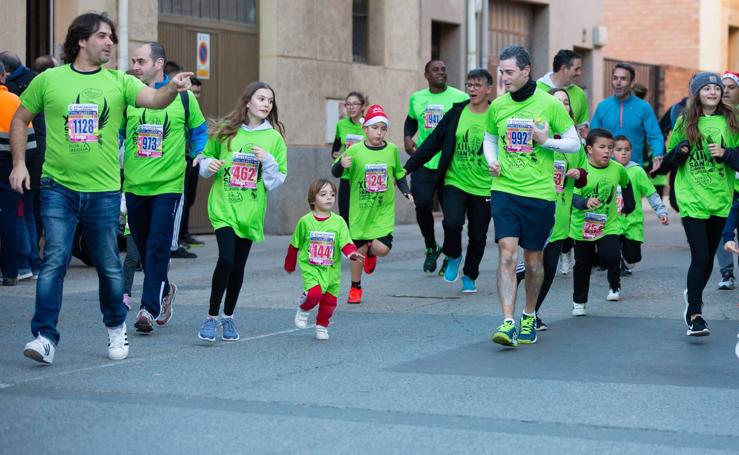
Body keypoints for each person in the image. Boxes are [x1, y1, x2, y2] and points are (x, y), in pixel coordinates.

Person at [9, 12, 194, 365]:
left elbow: (154, 101)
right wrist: (19, 163)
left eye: (112, 37)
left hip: (105, 191)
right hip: (58, 187)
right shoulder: (50, 80)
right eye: (103, 36)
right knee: (53, 263)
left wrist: (172, 86)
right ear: (81, 40)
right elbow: (20, 117)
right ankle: (45, 337)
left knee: (110, 266)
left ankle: (114, 326)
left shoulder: (119, 83)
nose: (110, 42)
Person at [483, 45, 580, 346]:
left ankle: (528, 315)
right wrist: (491, 160)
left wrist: (546, 141)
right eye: (501, 73)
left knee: (534, 262)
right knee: (506, 254)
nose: (504, 78)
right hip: (505, 190)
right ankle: (508, 321)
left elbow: (574, 143)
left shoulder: (548, 103)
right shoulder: (497, 106)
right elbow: (489, 138)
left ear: (526, 71)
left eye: (509, 72)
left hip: (539, 194)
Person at [123, 42, 207, 333]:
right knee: (145, 247)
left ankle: (148, 308)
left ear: (158, 64)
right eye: (133, 60)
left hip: (168, 184)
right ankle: (164, 288)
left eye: (141, 61)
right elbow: (118, 135)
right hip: (134, 184)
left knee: (157, 246)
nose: (135, 66)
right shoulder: (129, 95)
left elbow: (199, 129)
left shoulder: (183, 98)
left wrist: (198, 152)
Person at [196, 81, 287, 342]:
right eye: (261, 99)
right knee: (226, 259)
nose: (266, 104)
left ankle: (229, 317)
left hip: (250, 210)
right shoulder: (226, 131)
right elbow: (204, 159)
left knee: (237, 266)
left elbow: (277, 178)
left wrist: (267, 161)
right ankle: (211, 317)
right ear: (248, 102)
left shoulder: (273, 138)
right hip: (223, 206)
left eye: (270, 100)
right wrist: (208, 165)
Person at [658, 72, 739, 337]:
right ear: (697, 93)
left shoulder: (732, 120)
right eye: (707, 88)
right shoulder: (685, 121)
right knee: (701, 257)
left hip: (720, 199)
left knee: (706, 264)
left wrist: (726, 154)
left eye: (717, 88)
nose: (714, 92)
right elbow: (669, 161)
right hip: (692, 198)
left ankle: (693, 297)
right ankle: (695, 314)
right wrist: (680, 152)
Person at [404, 68, 494, 293]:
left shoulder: (497, 114)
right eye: (469, 85)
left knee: (478, 235)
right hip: (455, 180)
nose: (472, 89)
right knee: (451, 223)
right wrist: (408, 167)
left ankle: (470, 274)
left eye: (477, 85)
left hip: (484, 185)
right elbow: (433, 142)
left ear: (488, 89)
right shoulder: (456, 113)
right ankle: (453, 254)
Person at [331, 104, 413, 304]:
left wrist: (406, 192)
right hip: (360, 210)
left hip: (382, 210)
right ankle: (355, 287)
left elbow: (399, 175)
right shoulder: (355, 150)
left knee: (382, 248)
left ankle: (372, 253)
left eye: (383, 128)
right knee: (357, 253)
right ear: (365, 129)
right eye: (375, 128)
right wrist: (341, 165)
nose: (379, 132)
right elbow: (335, 172)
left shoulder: (391, 150)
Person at [404, 59, 469, 274]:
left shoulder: (460, 98)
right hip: (424, 162)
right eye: (435, 70)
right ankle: (431, 246)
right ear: (426, 75)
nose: (441, 72)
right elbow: (411, 119)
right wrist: (407, 137)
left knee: (452, 217)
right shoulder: (417, 98)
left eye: (443, 69)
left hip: (450, 164)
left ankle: (450, 254)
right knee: (422, 205)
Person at [531, 88, 588, 329]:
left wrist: (578, 173)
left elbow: (584, 175)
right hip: (535, 212)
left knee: (549, 271)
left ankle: (531, 314)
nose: (562, 106)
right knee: (530, 268)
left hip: (560, 216)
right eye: (556, 102)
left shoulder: (573, 142)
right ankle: (521, 313)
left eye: (566, 102)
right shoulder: (535, 135)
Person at [285, 179, 363, 340]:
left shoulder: (339, 221)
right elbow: (294, 244)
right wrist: (290, 264)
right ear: (313, 199)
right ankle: (304, 308)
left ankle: (322, 325)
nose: (329, 198)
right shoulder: (305, 221)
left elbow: (345, 242)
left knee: (329, 302)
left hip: (332, 270)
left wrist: (351, 253)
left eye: (332, 195)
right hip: (311, 267)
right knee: (314, 294)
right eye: (323, 194)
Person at [570, 129, 635, 315]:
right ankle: (579, 302)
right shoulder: (581, 171)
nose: (607, 151)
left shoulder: (617, 168)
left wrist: (629, 205)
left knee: (612, 256)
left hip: (608, 225)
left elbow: (626, 184)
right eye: (602, 147)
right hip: (582, 227)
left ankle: (612, 280)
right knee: (582, 265)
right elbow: (573, 197)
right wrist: (585, 202)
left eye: (610, 147)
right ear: (589, 149)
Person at [611, 135, 669, 276]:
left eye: (627, 149)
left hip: (633, 223)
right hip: (612, 223)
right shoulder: (608, 170)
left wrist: (661, 212)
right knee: (611, 253)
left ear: (632, 151)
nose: (623, 152)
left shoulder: (637, 171)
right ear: (612, 152)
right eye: (619, 149)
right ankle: (616, 268)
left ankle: (627, 262)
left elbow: (651, 193)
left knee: (633, 257)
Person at [591, 62, 664, 171]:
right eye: (615, 78)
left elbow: (655, 136)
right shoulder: (602, 106)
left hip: (634, 170)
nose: (618, 83)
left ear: (632, 82)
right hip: (606, 169)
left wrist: (657, 154)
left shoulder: (644, 107)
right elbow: (593, 138)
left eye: (623, 79)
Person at [1, 61, 36, 286]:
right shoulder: (14, 100)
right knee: (10, 218)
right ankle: (11, 272)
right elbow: (30, 141)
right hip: (9, 164)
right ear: (3, 76)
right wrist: (22, 166)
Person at [715, 71, 739, 290]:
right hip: (721, 185)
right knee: (722, 229)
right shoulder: (713, 115)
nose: (727, 91)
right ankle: (726, 273)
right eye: (724, 87)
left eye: (732, 87)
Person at [331, 92, 366, 224]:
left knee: (361, 216)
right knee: (345, 215)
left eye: (355, 104)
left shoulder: (369, 125)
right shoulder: (341, 124)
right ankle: (348, 245)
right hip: (346, 175)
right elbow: (337, 142)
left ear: (362, 106)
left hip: (363, 177)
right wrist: (334, 152)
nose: (351, 107)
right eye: (348, 104)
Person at [536, 49, 589, 136]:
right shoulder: (537, 89)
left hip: (572, 148)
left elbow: (582, 125)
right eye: (576, 69)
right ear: (564, 68)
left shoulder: (579, 93)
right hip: (544, 148)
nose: (579, 73)